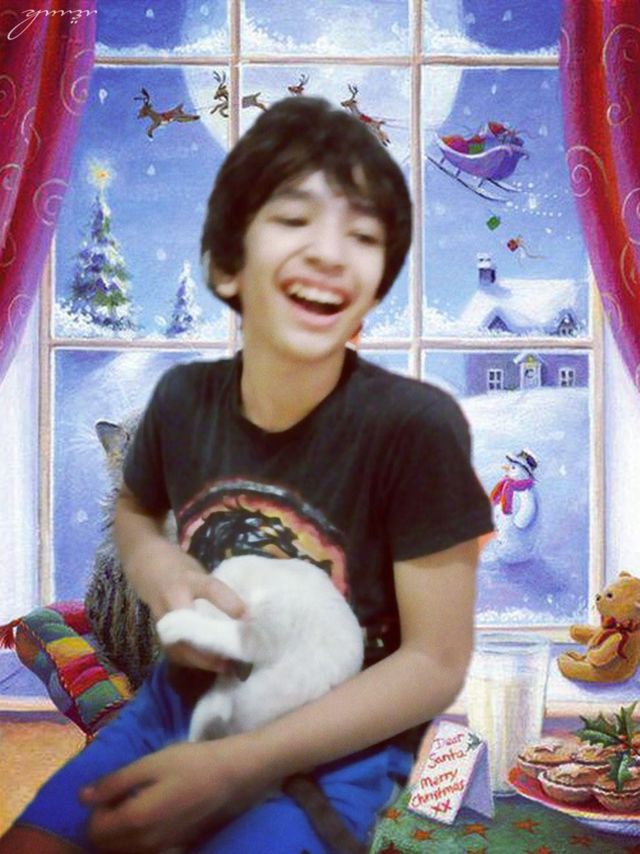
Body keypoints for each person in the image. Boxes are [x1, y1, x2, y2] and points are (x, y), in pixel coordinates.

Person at [1, 96, 493, 853]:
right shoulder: (181, 401)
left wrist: (241, 762)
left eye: (358, 239)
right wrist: (158, 562)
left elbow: (434, 660)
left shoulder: (418, 432)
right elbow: (132, 514)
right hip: (173, 704)